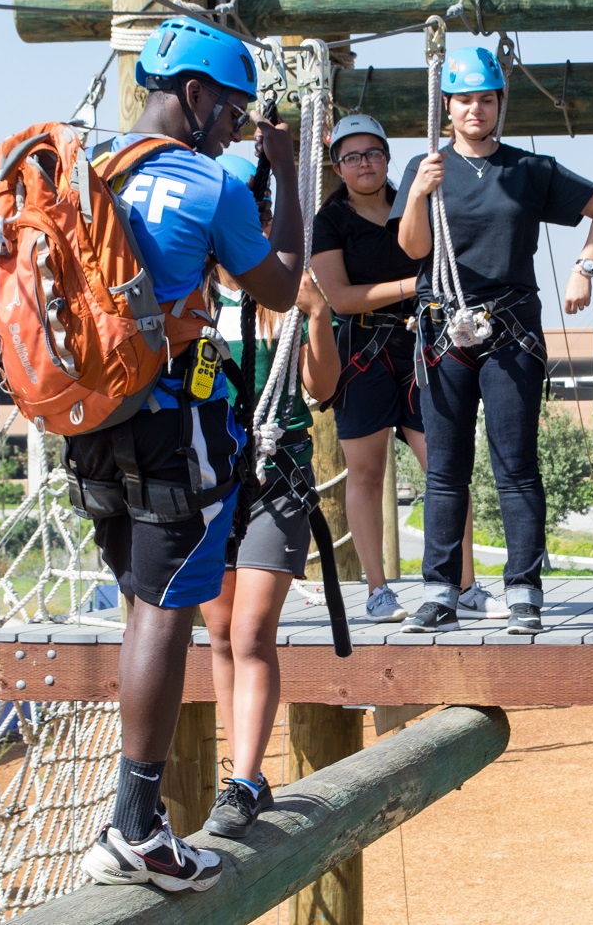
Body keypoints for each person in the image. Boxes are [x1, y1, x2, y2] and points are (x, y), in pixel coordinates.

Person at [74, 17, 301, 892]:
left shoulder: (92, 171)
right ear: (197, 97)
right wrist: (283, 175)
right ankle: (137, 826)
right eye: (236, 112)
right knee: (164, 613)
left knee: (143, 602)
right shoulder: (210, 186)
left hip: (89, 425)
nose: (239, 128)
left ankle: (135, 820)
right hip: (174, 424)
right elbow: (281, 283)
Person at [391, 45, 593, 635]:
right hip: (445, 322)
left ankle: (524, 589)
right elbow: (415, 250)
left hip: (510, 326)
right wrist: (418, 192)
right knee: (444, 468)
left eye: (485, 100)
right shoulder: (428, 167)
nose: (475, 109)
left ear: (499, 105)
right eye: (465, 100)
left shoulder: (528, 170)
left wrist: (585, 267)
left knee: (515, 464)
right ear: (447, 106)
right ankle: (441, 589)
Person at [310, 114, 504, 624]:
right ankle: (378, 590)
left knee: (445, 468)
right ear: (338, 167)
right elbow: (342, 298)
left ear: (387, 157)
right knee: (367, 473)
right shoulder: (331, 221)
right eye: (352, 157)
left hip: (423, 345)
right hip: (365, 351)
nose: (364, 164)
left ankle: (463, 584)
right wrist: (412, 288)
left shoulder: (415, 204)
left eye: (373, 153)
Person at [201, 161, 340, 835]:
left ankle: (246, 777)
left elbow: (321, 390)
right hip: (208, 481)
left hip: (274, 475)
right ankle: (240, 765)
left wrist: (313, 316)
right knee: (221, 632)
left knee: (252, 629)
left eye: (259, 216)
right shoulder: (194, 296)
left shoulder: (288, 299)